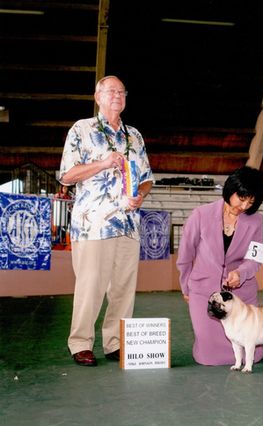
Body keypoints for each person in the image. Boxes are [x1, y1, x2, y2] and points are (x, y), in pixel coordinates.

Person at [59, 75, 154, 366]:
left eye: (121, 91)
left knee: (123, 288)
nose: (117, 95)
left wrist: (140, 195)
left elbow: (147, 178)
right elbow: (66, 175)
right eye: (110, 91)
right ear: (97, 96)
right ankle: (80, 343)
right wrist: (102, 163)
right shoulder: (82, 129)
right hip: (93, 224)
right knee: (90, 285)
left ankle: (115, 343)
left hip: (128, 223)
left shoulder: (134, 135)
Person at [176, 166, 263, 366]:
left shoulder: (257, 221)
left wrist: (240, 273)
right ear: (230, 190)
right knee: (207, 356)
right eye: (241, 198)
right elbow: (185, 255)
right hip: (203, 292)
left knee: (252, 353)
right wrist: (186, 287)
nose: (244, 206)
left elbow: (255, 259)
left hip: (241, 294)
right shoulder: (200, 215)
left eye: (251, 202)